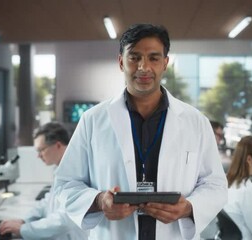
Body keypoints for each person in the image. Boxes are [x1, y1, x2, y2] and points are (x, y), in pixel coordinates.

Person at [53, 23, 228, 240]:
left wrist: (188, 207)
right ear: (121, 62)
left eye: (153, 58)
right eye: (134, 57)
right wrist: (100, 201)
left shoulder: (195, 122)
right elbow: (65, 183)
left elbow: (216, 184)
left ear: (165, 63)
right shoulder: (93, 120)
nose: (143, 67)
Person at [0, 122, 88, 240]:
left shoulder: (77, 170)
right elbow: (48, 201)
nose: (38, 156)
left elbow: (64, 221)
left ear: (58, 145)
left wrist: (22, 229)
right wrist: (24, 220)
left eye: (41, 150)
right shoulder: (61, 169)